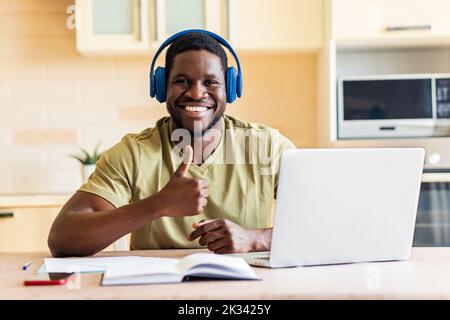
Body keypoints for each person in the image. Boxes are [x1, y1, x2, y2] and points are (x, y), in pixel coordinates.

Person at [48, 30, 295, 257]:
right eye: (183, 81)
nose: (197, 93)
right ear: (162, 86)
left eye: (210, 82)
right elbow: (62, 239)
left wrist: (256, 238)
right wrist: (158, 205)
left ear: (230, 88)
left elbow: (329, 224)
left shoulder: (268, 148)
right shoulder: (133, 154)